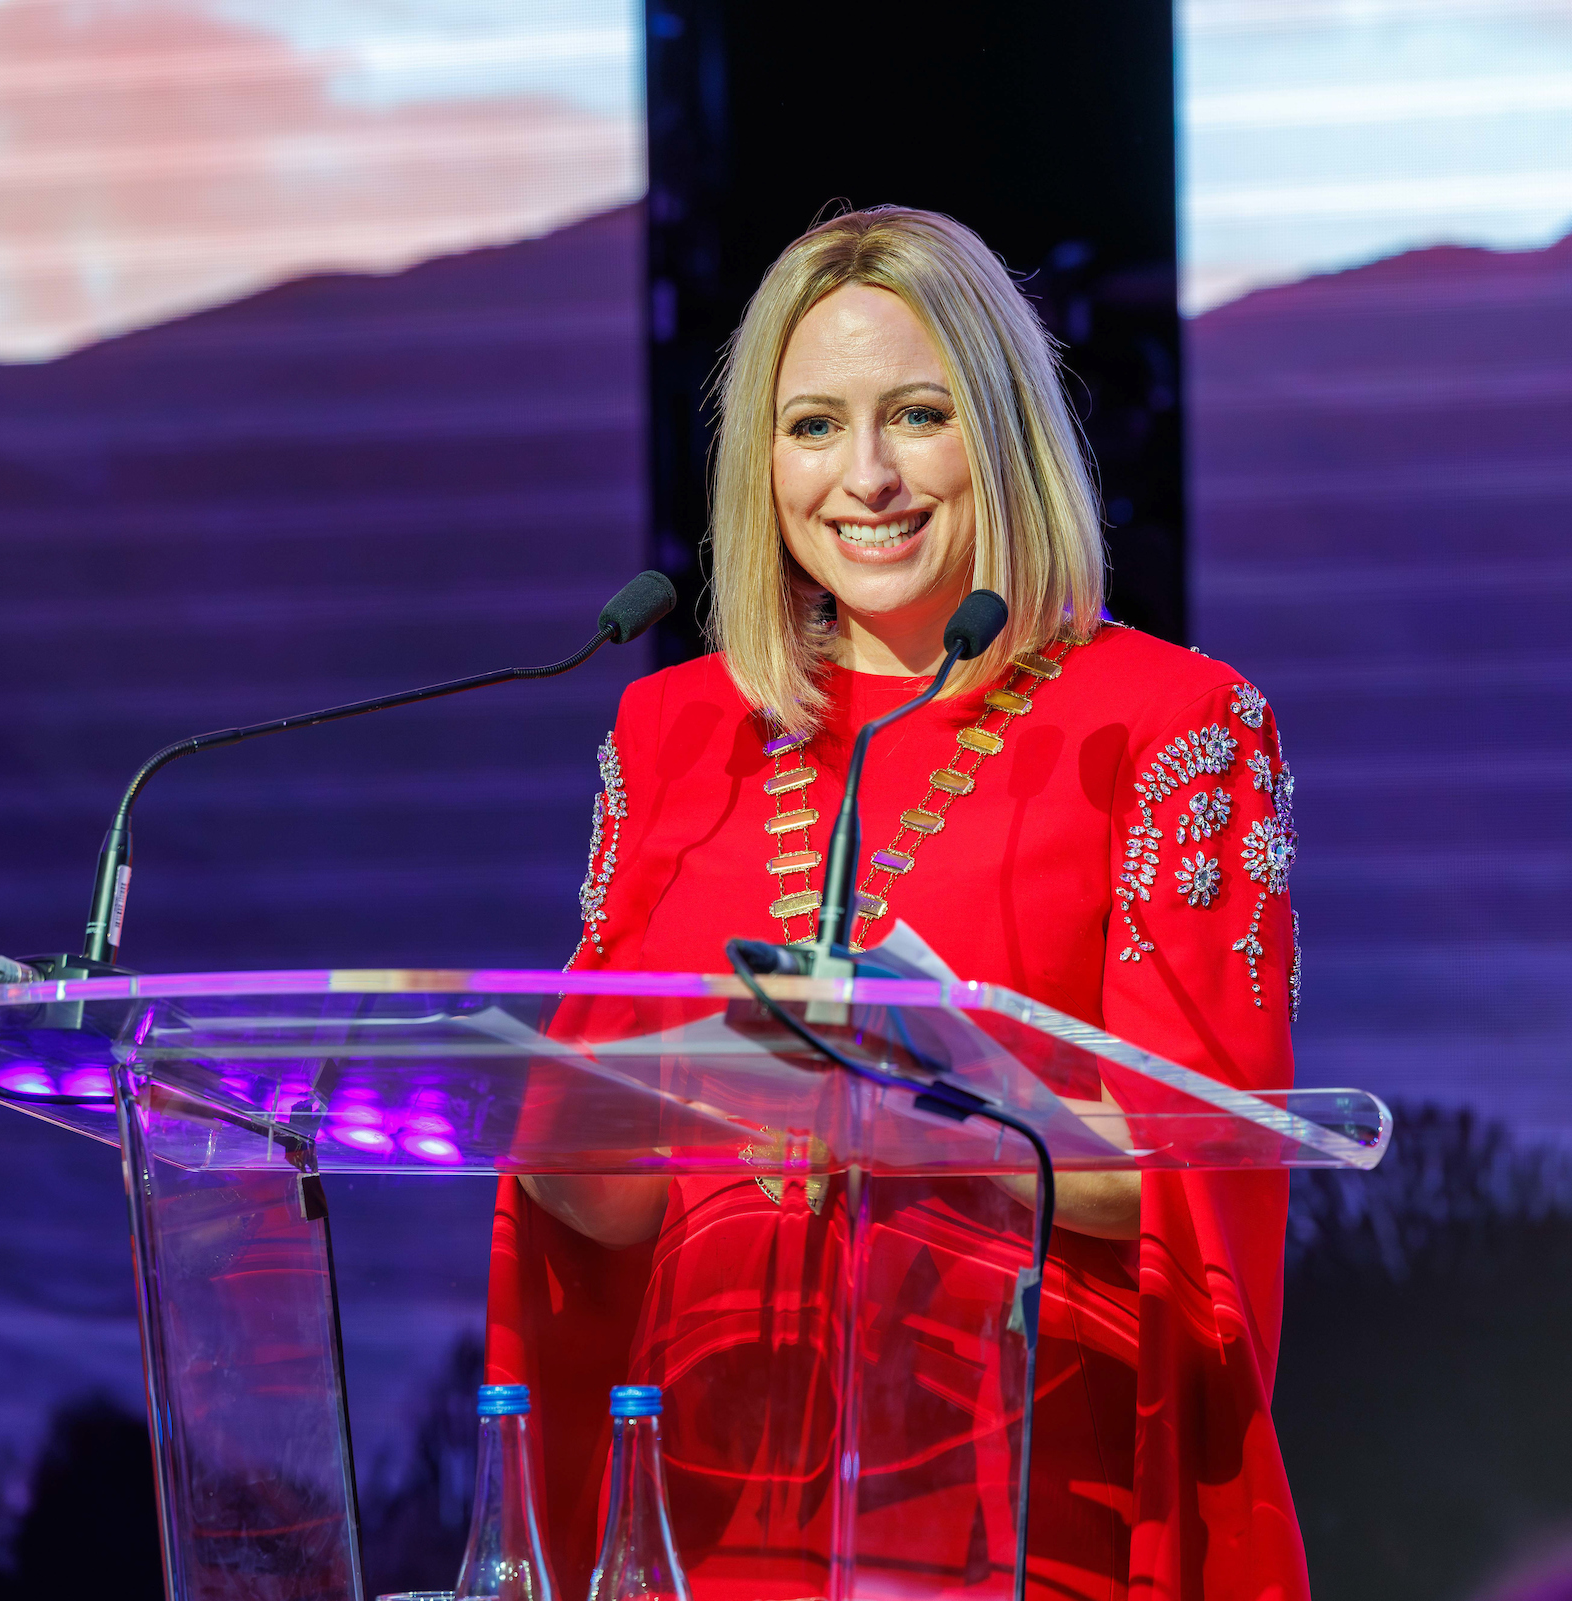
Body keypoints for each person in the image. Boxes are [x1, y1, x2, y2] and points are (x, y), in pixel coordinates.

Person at [485, 207, 1305, 1601]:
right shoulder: (676, 734)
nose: (863, 477)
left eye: (916, 416)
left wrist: (924, 1098)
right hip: (706, 1513)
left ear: (1000, 430)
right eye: (812, 427)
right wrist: (602, 1109)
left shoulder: (1169, 722)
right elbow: (597, 1216)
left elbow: (1196, 1172)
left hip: (1026, 1506)